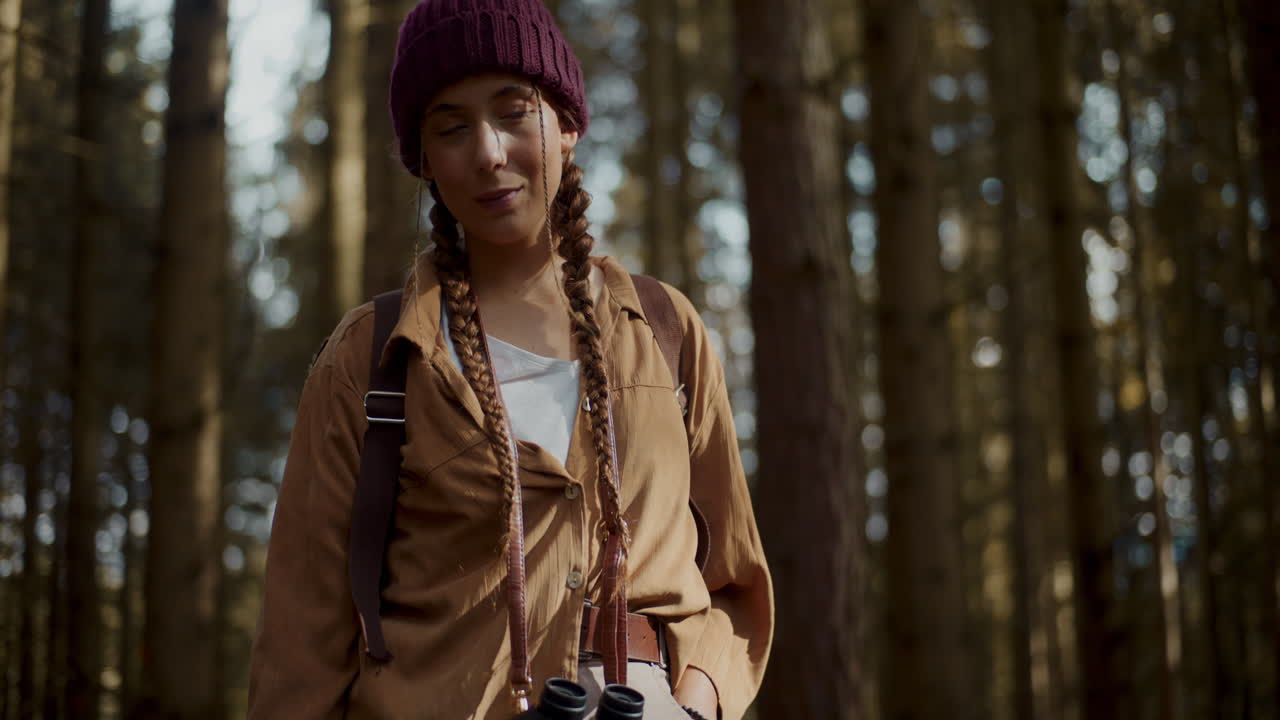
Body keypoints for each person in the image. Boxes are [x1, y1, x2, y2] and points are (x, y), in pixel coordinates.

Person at [246, 0, 772, 718]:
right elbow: (298, 658)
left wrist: (693, 702)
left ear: (567, 124)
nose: (489, 152)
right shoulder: (370, 362)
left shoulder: (666, 333)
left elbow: (733, 588)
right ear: (425, 159)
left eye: (513, 111)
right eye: (452, 127)